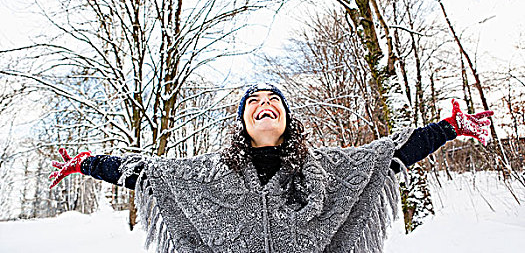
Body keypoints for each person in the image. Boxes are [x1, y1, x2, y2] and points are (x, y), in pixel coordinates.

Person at [49, 83, 493, 253]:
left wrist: (447, 128)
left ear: (285, 117)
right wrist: (89, 164)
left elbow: (382, 155)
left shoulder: (324, 168)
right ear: (243, 120)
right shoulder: (208, 174)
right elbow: (148, 171)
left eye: (274, 101)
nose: (265, 105)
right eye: (255, 102)